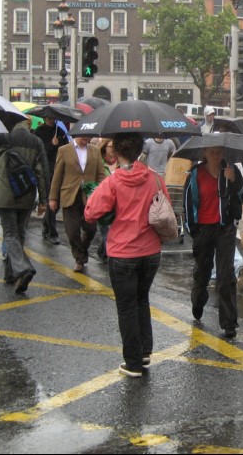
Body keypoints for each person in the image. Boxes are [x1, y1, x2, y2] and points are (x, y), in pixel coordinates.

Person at [83, 132, 163, 378]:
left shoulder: (113, 182)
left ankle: (133, 363)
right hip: (151, 252)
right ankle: (145, 351)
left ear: (115, 152)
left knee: (127, 306)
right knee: (142, 299)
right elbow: (164, 206)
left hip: (123, 254)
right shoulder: (155, 179)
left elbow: (90, 213)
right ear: (141, 150)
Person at [184, 146, 243, 338]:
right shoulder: (195, 173)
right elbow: (188, 203)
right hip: (203, 229)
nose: (215, 155)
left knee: (226, 274)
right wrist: (192, 230)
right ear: (204, 154)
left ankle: (229, 323)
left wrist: (234, 180)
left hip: (225, 228)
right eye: (211, 152)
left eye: (219, 152)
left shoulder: (230, 170)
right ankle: (198, 301)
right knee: (202, 272)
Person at [0, 119, 50, 294]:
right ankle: (11, 274)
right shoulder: (36, 142)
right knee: (19, 233)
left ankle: (22, 269)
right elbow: (42, 171)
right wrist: (44, 199)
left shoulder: (5, 138)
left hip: (5, 195)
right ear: (27, 125)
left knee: (10, 234)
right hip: (27, 195)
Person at [49, 136, 106, 272]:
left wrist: (103, 192)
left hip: (89, 196)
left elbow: (100, 174)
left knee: (91, 229)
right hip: (70, 195)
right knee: (72, 231)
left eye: (88, 137)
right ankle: (79, 259)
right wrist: (53, 197)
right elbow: (57, 175)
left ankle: (83, 249)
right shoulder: (64, 150)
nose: (86, 139)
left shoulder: (95, 151)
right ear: (76, 136)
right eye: (83, 137)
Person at [34, 116, 69, 245]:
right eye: (49, 117)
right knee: (51, 200)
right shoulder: (39, 131)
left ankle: (46, 226)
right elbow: (40, 151)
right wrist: (51, 144)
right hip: (46, 170)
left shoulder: (59, 131)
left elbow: (66, 149)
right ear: (44, 118)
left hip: (59, 169)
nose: (51, 119)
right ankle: (51, 232)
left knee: (56, 201)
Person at [93, 138, 118, 262]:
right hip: (104, 202)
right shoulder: (99, 162)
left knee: (114, 231)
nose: (113, 149)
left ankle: (104, 252)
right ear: (104, 148)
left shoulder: (121, 162)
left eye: (115, 147)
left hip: (118, 203)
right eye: (110, 147)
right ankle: (110, 255)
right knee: (106, 231)